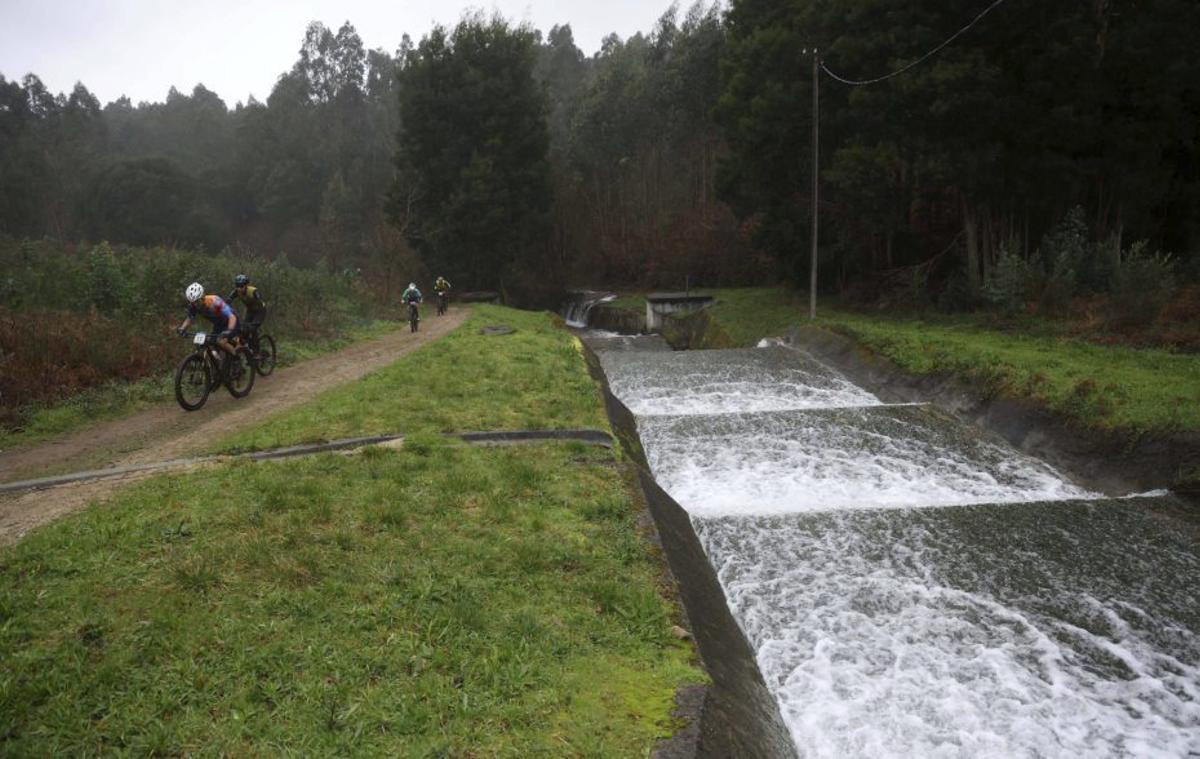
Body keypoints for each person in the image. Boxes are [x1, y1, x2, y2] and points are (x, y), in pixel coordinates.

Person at [177, 282, 239, 361]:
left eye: (197, 301)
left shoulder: (214, 302)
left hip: (232, 322)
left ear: (202, 297)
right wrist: (182, 329)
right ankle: (219, 365)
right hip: (219, 325)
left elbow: (231, 316)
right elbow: (189, 318)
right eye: (192, 302)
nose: (195, 304)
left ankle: (236, 359)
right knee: (210, 343)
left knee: (221, 342)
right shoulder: (193, 306)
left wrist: (229, 330)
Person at [226, 274, 267, 340]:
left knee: (252, 328)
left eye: (241, 286)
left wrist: (255, 322)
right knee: (244, 330)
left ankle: (256, 348)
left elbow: (260, 301)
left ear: (246, 285)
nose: (239, 288)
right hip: (250, 311)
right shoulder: (236, 292)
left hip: (260, 310)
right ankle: (247, 347)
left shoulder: (253, 291)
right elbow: (228, 301)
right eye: (237, 286)